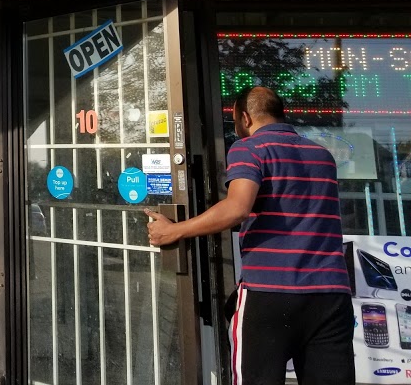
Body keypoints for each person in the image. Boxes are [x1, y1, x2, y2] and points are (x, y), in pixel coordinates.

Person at [145, 86, 353, 385]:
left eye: (235, 121)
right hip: (331, 295)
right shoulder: (322, 155)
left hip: (269, 291)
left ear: (245, 117)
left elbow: (237, 208)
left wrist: (173, 231)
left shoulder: (250, 148)